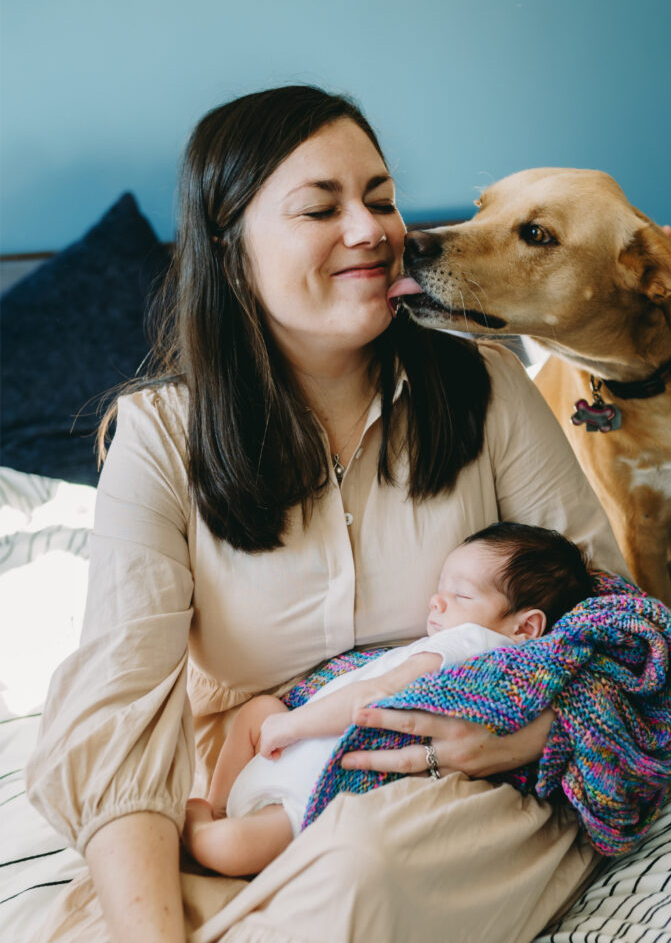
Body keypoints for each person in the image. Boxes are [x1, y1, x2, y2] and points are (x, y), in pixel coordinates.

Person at [26, 85, 630, 943]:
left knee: (360, 867)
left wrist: (521, 737)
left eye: (380, 200)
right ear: (231, 252)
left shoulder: (487, 385)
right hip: (256, 797)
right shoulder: (160, 435)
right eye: (320, 208)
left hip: (463, 784)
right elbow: (115, 702)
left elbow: (613, 626)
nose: (371, 231)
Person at [183, 522, 593, 878]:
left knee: (229, 844)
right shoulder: (467, 647)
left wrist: (290, 725)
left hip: (316, 783)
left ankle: (210, 812)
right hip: (302, 752)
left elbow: (374, 697)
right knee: (259, 712)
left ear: (526, 627)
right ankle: (217, 807)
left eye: (461, 595)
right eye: (440, 588)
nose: (437, 600)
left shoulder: (473, 645)